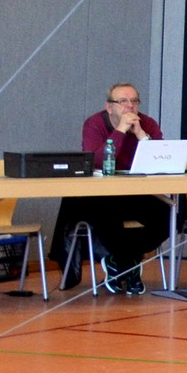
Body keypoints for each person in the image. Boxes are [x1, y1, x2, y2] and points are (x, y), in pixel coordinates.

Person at [50, 83, 172, 295]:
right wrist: (120, 131)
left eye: (134, 101)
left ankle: (122, 260)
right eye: (122, 101)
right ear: (109, 107)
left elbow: (162, 161)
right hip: (102, 194)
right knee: (107, 214)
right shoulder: (94, 124)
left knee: (170, 216)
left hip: (137, 193)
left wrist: (141, 134)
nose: (129, 106)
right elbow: (95, 161)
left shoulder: (148, 123)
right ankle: (128, 265)